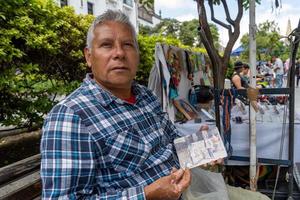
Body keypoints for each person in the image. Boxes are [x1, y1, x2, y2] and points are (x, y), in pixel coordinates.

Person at [40, 10, 193, 199]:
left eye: (127, 45)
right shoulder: (70, 117)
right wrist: (145, 195)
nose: (119, 53)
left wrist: (200, 149)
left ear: (137, 54)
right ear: (88, 56)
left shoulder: (145, 95)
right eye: (106, 45)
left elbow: (172, 138)